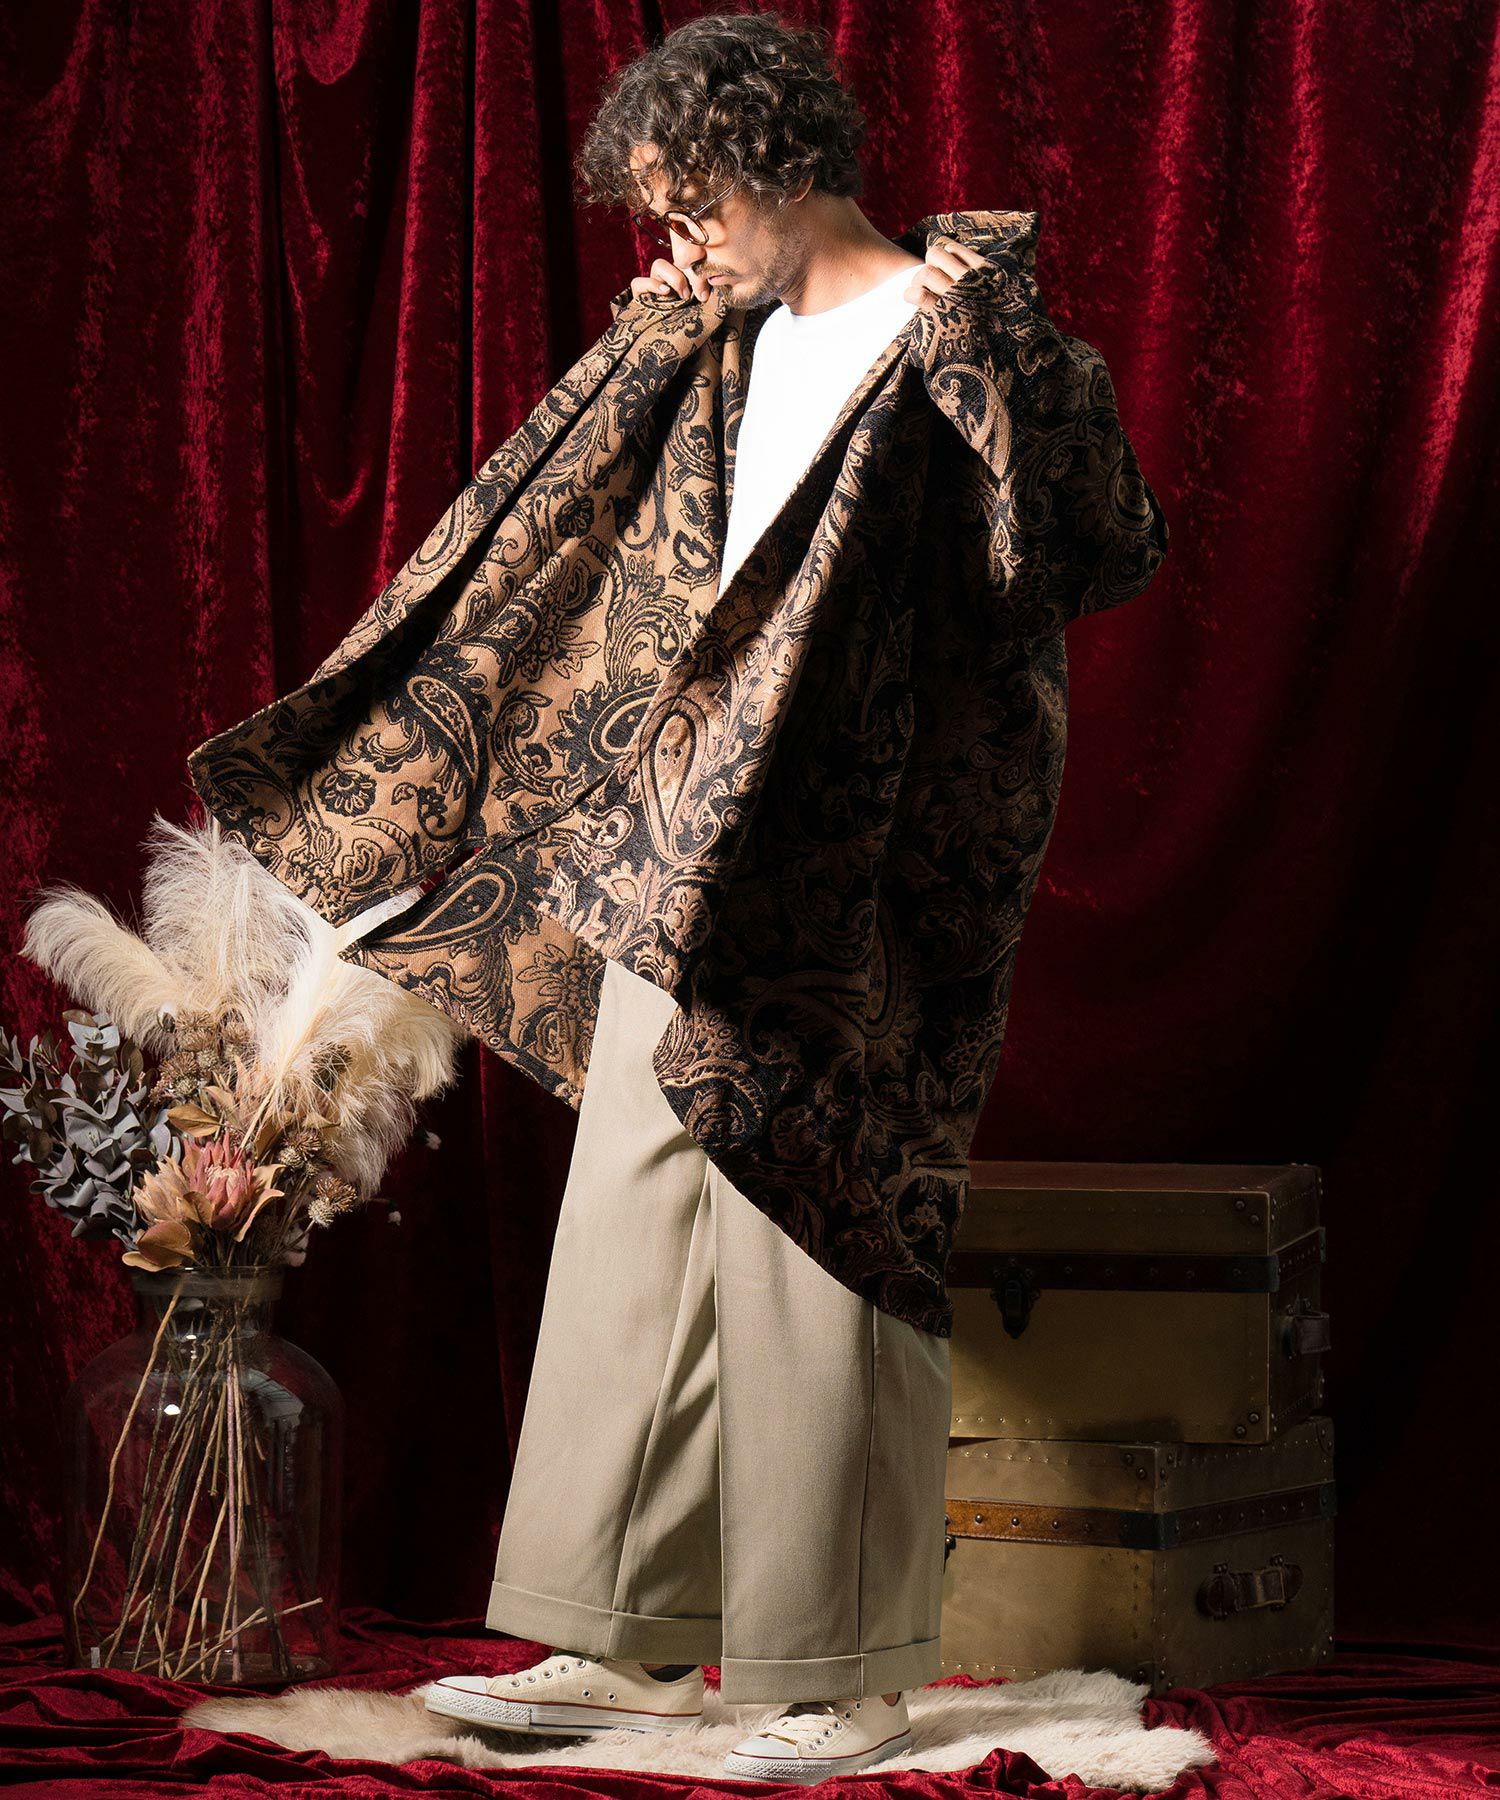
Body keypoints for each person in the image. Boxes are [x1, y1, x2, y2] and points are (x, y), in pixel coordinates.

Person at [413, 9, 1162, 1783]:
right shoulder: (712, 342)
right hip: (682, 832)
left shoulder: (962, 325)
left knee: (821, 1240)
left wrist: (1002, 357)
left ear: (780, 164)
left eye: (693, 206)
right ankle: (620, 1641)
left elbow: (1101, 543)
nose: (674, 244)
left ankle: (848, 1667)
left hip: (867, 867)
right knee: (632, 1214)